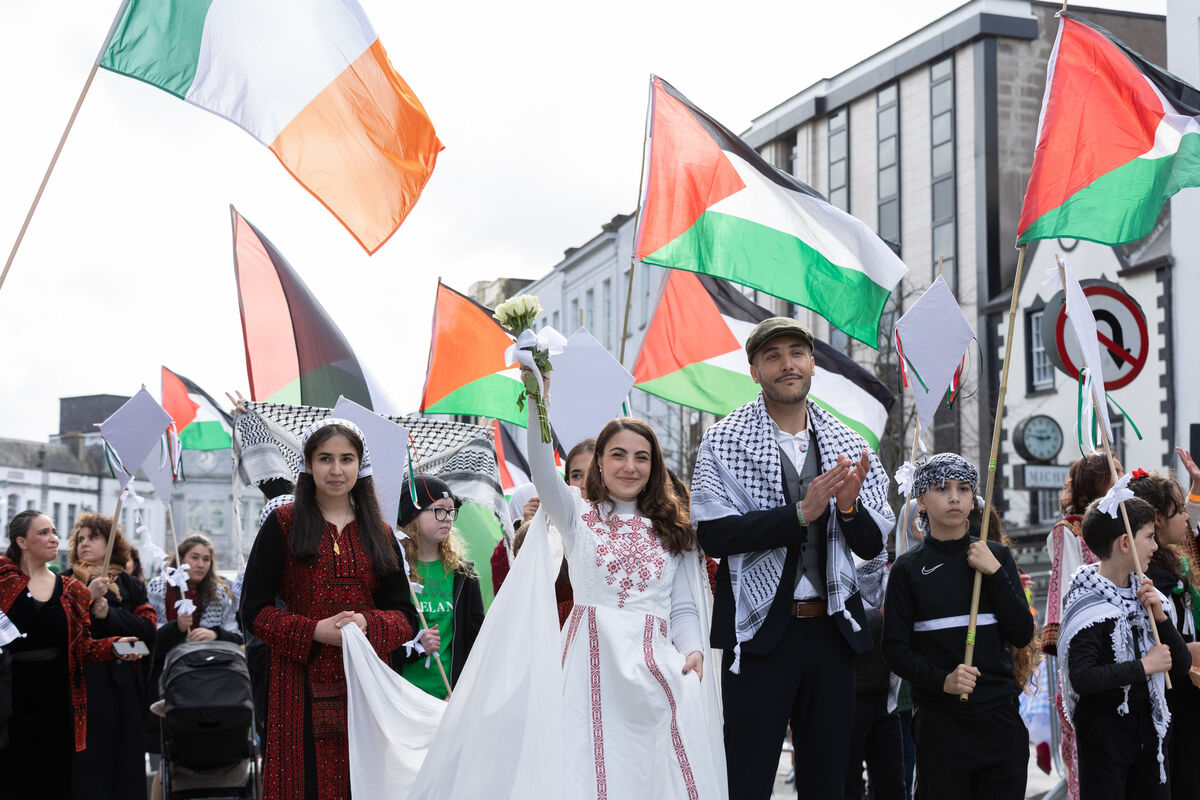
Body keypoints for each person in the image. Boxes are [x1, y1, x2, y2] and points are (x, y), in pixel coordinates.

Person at [689, 317, 892, 799]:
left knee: (829, 781)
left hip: (833, 631)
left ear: (812, 364)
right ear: (755, 370)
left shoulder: (850, 443)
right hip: (759, 637)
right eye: (773, 356)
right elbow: (713, 535)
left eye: (796, 353)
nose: (787, 365)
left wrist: (847, 506)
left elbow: (871, 544)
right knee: (747, 775)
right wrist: (799, 514)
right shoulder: (724, 440)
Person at [524, 377, 726, 797]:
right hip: (587, 667)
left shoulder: (674, 528)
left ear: (655, 467)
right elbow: (543, 469)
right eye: (618, 455)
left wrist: (692, 652)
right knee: (586, 772)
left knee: (654, 777)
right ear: (598, 461)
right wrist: (537, 400)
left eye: (641, 457)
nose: (630, 466)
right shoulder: (577, 514)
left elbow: (684, 607)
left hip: (654, 669)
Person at [239, 418, 423, 800]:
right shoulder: (283, 523)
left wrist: (366, 623)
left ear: (361, 465)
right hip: (297, 682)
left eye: (346, 458)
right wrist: (312, 631)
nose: (336, 470)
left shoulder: (381, 532)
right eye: (325, 459)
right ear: (308, 465)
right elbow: (253, 610)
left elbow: (405, 616)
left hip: (365, 682)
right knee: (302, 783)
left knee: (367, 782)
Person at [882, 453, 1034, 799]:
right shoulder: (907, 569)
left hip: (1000, 718)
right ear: (921, 498)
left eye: (963, 489)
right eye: (941, 488)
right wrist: (943, 680)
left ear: (973, 499)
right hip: (941, 724)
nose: (954, 497)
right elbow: (894, 650)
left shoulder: (997, 556)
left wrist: (994, 573)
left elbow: (1022, 632)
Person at [0, 510, 143, 800]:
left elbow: (83, 648)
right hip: (8, 697)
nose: (53, 538)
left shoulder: (72, 591)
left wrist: (118, 645)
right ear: (22, 541)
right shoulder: (3, 579)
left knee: (55, 781)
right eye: (43, 533)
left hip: (57, 702)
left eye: (53, 531)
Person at [1058, 497, 1191, 799]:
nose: (1155, 546)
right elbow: (1083, 677)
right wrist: (1144, 666)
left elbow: (1180, 665)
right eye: (1148, 537)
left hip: (1151, 743)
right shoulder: (1087, 603)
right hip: (1105, 743)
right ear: (1124, 543)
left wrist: (1161, 618)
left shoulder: (1147, 593)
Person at [1042, 454, 1117, 799]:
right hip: (1087, 641)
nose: (1123, 475)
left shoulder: (1123, 525)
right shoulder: (1069, 531)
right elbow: (1068, 588)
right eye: (1114, 470)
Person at [69, 512, 157, 800]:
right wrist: (88, 599)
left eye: (94, 538)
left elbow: (146, 636)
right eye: (80, 538)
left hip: (125, 687)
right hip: (85, 688)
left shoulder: (130, 586)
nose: (85, 544)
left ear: (110, 544)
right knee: (89, 769)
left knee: (127, 767)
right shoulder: (66, 582)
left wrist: (110, 614)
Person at [145, 532, 243, 776]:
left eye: (206, 559)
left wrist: (215, 634)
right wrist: (175, 629)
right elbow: (147, 638)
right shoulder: (158, 588)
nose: (201, 564)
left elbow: (236, 634)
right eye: (194, 557)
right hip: (165, 680)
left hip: (209, 681)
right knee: (165, 757)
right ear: (180, 560)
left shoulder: (219, 592)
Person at [1129, 469, 1200, 797]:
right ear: (1156, 518)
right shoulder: (1145, 576)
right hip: (1168, 698)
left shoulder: (1174, 561)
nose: (1185, 516)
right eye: (1179, 510)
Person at [397, 476, 485, 698]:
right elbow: (381, 641)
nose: (447, 518)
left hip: (448, 697)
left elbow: (475, 641)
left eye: (451, 511)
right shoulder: (394, 572)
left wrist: (463, 691)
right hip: (402, 696)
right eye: (438, 510)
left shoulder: (463, 574)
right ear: (412, 515)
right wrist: (416, 647)